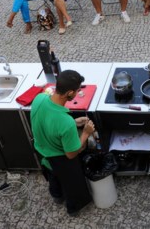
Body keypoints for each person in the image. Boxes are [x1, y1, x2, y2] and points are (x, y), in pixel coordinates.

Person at [31, 70, 95, 216]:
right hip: (61, 160)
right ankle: (73, 209)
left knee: (53, 177)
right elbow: (71, 154)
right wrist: (86, 133)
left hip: (42, 153)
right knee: (72, 184)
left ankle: (57, 196)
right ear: (70, 93)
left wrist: (74, 122)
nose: (78, 92)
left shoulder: (39, 99)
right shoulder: (66, 122)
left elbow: (49, 123)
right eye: (77, 90)